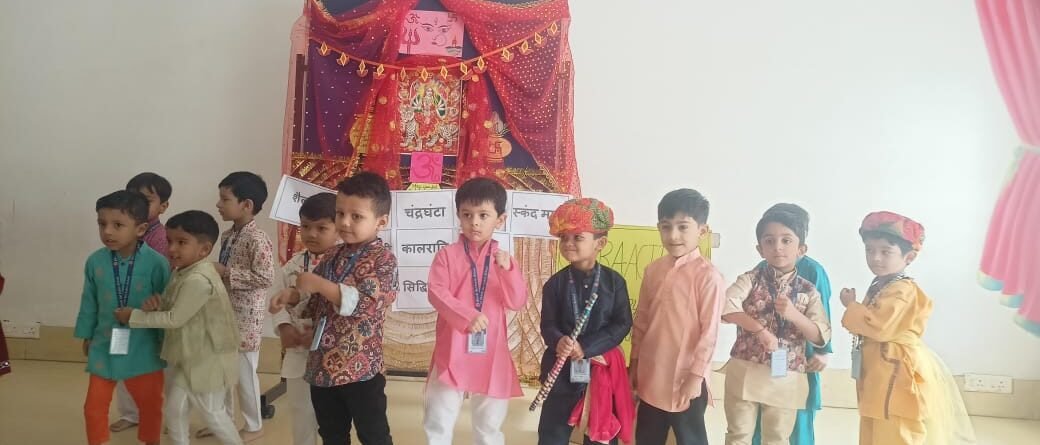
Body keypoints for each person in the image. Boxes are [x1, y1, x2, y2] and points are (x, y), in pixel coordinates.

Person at [270, 172, 399, 445]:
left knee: (373, 435)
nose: (345, 222)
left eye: (357, 216)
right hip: (322, 367)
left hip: (361, 369)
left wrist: (320, 284)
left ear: (381, 221)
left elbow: (367, 303)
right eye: (340, 213)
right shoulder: (332, 255)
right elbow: (315, 303)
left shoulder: (384, 259)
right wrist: (293, 296)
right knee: (331, 434)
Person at [840, 211, 975, 445]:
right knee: (875, 422)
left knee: (896, 425)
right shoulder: (882, 284)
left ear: (909, 257)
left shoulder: (903, 290)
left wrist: (852, 305)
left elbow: (879, 327)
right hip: (880, 369)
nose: (875, 258)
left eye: (885, 251)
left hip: (896, 369)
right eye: (869, 250)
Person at [116, 210, 244, 445]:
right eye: (170, 241)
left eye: (182, 242)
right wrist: (157, 305)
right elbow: (175, 307)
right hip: (192, 358)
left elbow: (175, 318)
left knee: (213, 414)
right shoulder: (182, 272)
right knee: (175, 410)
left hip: (208, 360)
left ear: (204, 250)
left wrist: (134, 316)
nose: (172, 248)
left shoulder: (198, 279)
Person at [423, 177, 528, 445]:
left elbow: (517, 301)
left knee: (489, 426)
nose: (475, 222)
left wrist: (508, 271)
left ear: (500, 220)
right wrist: (467, 316)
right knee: (438, 418)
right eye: (467, 214)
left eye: (483, 215)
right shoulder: (447, 255)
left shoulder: (504, 261)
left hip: (491, 350)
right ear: (458, 215)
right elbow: (437, 292)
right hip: (452, 346)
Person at [720, 205, 830, 445]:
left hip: (786, 373)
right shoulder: (750, 279)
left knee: (777, 437)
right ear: (760, 249)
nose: (777, 247)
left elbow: (820, 334)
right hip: (745, 368)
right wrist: (759, 330)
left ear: (801, 249)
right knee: (738, 435)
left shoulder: (808, 290)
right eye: (769, 241)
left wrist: (795, 315)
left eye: (786, 240)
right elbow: (725, 305)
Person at [74, 190, 169, 445]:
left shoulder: (157, 264)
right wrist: (86, 335)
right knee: (93, 407)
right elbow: (89, 301)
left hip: (144, 347)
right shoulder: (95, 262)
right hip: (104, 343)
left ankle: (150, 440)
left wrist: (165, 340)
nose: (107, 232)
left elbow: (168, 305)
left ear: (140, 229)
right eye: (102, 224)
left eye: (118, 225)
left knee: (150, 405)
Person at [630, 188, 724, 445]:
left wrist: (695, 377)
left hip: (686, 376)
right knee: (647, 437)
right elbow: (642, 321)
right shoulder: (653, 270)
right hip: (651, 373)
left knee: (690, 438)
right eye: (666, 227)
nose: (673, 235)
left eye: (683, 227)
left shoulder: (709, 277)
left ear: (702, 231)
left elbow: (709, 334)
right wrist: (634, 364)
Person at [538, 198, 634, 445]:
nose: (568, 243)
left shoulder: (615, 283)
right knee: (552, 433)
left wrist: (588, 347)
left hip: (601, 370)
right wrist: (558, 340)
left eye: (578, 237)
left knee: (600, 435)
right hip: (561, 370)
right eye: (563, 238)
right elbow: (547, 324)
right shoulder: (554, 284)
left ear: (600, 243)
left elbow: (622, 323)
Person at [204, 172, 275, 442]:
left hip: (246, 320)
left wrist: (226, 272)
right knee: (222, 371)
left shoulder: (258, 239)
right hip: (224, 313)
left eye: (225, 199)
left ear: (246, 205)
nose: (218, 204)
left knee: (245, 375)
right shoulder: (228, 235)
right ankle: (222, 420)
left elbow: (266, 277)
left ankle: (254, 425)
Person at [270, 192, 338, 445]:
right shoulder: (291, 266)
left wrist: (323, 332)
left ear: (338, 229)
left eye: (321, 228)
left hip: (333, 353)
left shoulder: (342, 265)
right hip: (299, 352)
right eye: (306, 227)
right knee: (301, 410)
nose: (311, 234)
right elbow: (276, 302)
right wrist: (284, 327)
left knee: (331, 416)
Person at [111, 171, 174, 433]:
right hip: (121, 311)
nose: (137, 204)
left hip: (152, 311)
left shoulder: (164, 238)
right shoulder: (119, 231)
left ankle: (164, 416)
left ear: (163, 206)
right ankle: (131, 413)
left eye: (146, 200)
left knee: (159, 367)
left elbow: (167, 277)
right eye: (132, 198)